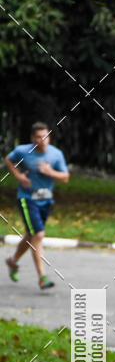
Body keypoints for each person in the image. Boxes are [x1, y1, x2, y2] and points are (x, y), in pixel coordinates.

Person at [4, 122, 69, 290]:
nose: (42, 140)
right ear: (33, 138)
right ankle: (42, 277)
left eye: (45, 136)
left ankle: (13, 261)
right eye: (39, 137)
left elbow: (65, 177)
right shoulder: (23, 151)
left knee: (31, 235)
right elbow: (9, 160)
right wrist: (19, 176)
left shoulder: (56, 154)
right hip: (27, 199)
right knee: (38, 234)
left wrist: (49, 172)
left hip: (46, 200)